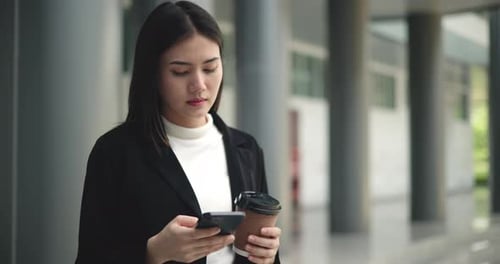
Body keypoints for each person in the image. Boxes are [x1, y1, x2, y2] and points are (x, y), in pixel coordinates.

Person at [75, 1, 281, 264]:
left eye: (210, 68)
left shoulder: (247, 149)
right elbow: (91, 258)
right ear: (153, 74)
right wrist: (153, 253)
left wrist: (267, 254)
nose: (199, 85)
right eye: (180, 72)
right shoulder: (115, 153)